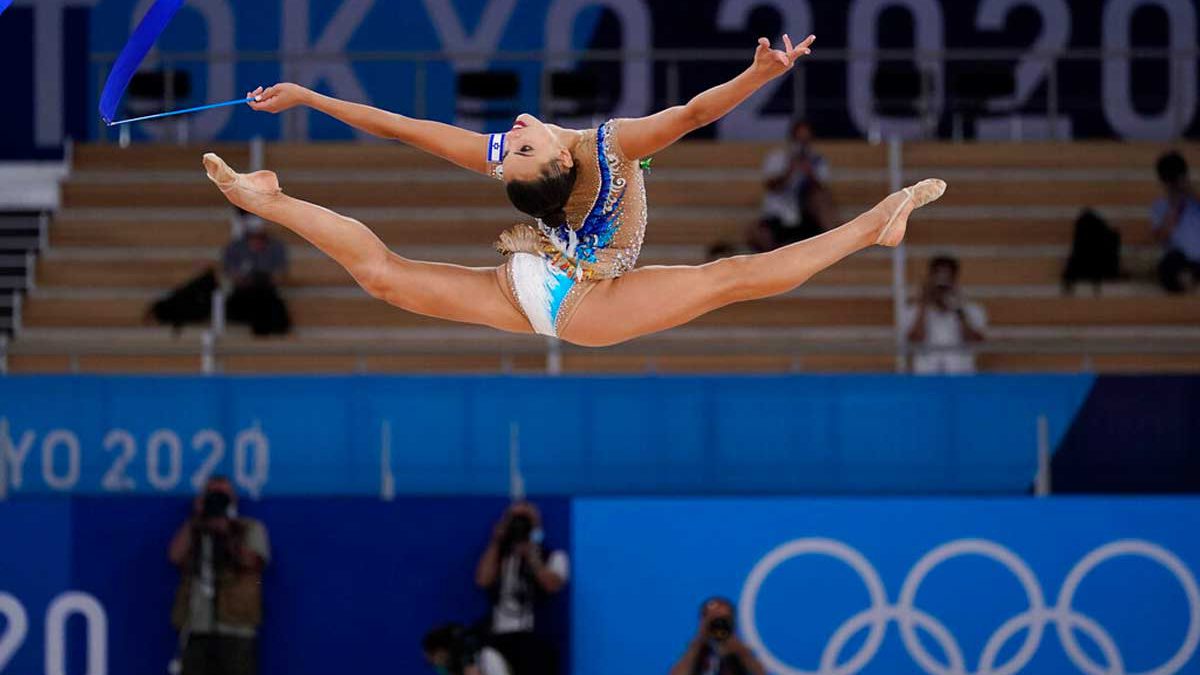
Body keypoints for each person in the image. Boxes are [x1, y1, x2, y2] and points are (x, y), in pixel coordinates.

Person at [201, 33, 946, 347]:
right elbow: (402, 127)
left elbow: (691, 114)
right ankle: (268, 198)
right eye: (518, 142)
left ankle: (877, 221)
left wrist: (756, 76)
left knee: (732, 278)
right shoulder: (579, 151)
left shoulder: (572, 154)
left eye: (514, 142)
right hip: (562, 290)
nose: (516, 127)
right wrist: (306, 96)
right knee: (381, 279)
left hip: (564, 287)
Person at [167, 476, 271, 675]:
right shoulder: (196, 529)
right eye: (211, 494)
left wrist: (227, 532)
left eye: (222, 495)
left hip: (236, 627)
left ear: (233, 499)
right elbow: (175, 556)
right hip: (196, 626)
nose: (217, 499)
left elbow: (253, 562)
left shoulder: (249, 527)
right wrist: (196, 520)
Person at [474, 502, 567, 675]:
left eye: (525, 520)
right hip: (497, 637)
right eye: (514, 519)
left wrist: (532, 555)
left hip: (533, 638)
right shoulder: (500, 556)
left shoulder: (553, 556)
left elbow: (553, 585)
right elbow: (483, 580)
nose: (519, 525)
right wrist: (496, 542)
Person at [749, 119, 835, 251]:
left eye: (805, 140)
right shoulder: (777, 157)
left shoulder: (817, 160)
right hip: (777, 215)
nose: (801, 145)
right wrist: (789, 171)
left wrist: (809, 173)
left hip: (804, 216)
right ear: (792, 138)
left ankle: (834, 247)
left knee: (821, 200)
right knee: (757, 233)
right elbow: (770, 185)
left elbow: (822, 190)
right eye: (799, 139)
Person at [901, 255, 987, 374]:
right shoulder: (913, 310)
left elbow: (975, 342)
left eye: (947, 280)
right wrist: (924, 304)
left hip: (962, 374)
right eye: (938, 279)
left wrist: (959, 309)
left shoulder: (972, 310)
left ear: (955, 280)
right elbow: (914, 340)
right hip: (926, 376)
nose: (942, 286)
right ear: (930, 278)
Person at [222, 209, 292, 335]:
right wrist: (245, 279)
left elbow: (281, 275)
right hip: (243, 295)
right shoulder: (235, 247)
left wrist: (264, 278)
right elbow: (230, 274)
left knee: (265, 296)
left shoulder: (276, 247)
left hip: (267, 293)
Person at [669, 597, 766, 675]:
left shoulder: (740, 651)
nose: (719, 624)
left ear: (732, 621)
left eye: (724, 619)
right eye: (714, 620)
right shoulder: (696, 651)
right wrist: (699, 641)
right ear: (703, 622)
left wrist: (741, 651)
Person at [1151, 152, 1200, 293]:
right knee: (1167, 265)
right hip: (1181, 259)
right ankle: (1186, 279)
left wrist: (1192, 193)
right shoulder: (1159, 206)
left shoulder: (1196, 202)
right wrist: (1174, 206)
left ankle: (1189, 278)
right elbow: (1161, 238)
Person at [422, 623, 511, 675]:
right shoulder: (451, 670)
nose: (436, 664)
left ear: (442, 651)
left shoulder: (487, 656)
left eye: (433, 659)